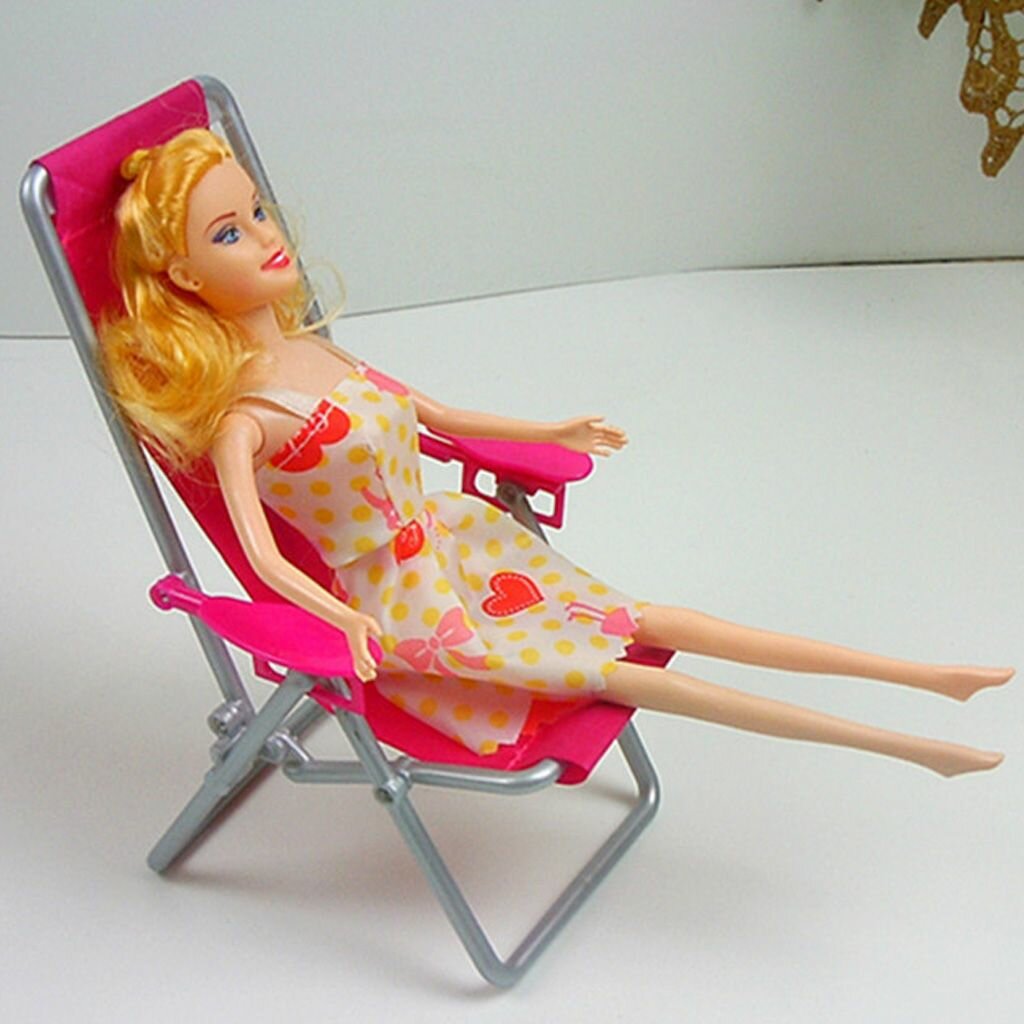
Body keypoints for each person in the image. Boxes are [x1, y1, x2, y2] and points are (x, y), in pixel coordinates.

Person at [100, 128, 1013, 776]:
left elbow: (437, 416)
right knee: (619, 672)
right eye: (229, 233)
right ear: (182, 275)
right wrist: (339, 622)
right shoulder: (244, 419)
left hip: (460, 542)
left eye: (258, 212)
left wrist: (552, 432)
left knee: (656, 619)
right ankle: (907, 749)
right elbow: (263, 559)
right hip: (407, 612)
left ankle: (920, 677)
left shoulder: (319, 352)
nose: (267, 238)